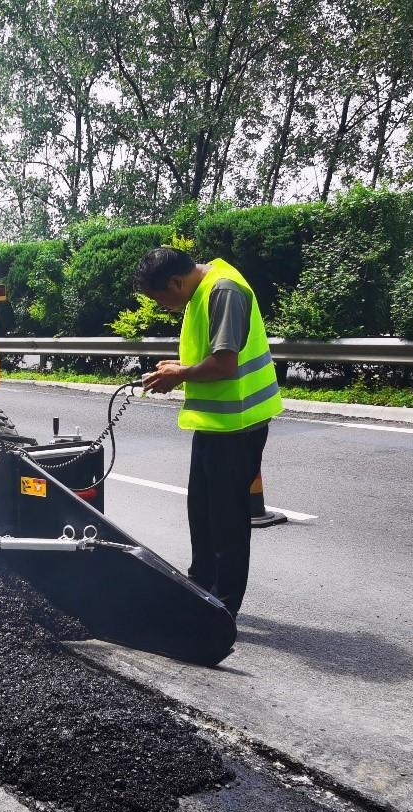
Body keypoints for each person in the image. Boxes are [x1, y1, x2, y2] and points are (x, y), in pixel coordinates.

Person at [137, 247, 282, 618]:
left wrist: (180, 375)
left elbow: (225, 364)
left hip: (238, 426)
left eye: (160, 298)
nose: (163, 306)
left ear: (175, 281)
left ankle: (221, 611)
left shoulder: (224, 291)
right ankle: (198, 592)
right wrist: (180, 366)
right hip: (216, 426)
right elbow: (211, 353)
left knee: (227, 523)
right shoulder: (202, 289)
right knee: (202, 515)